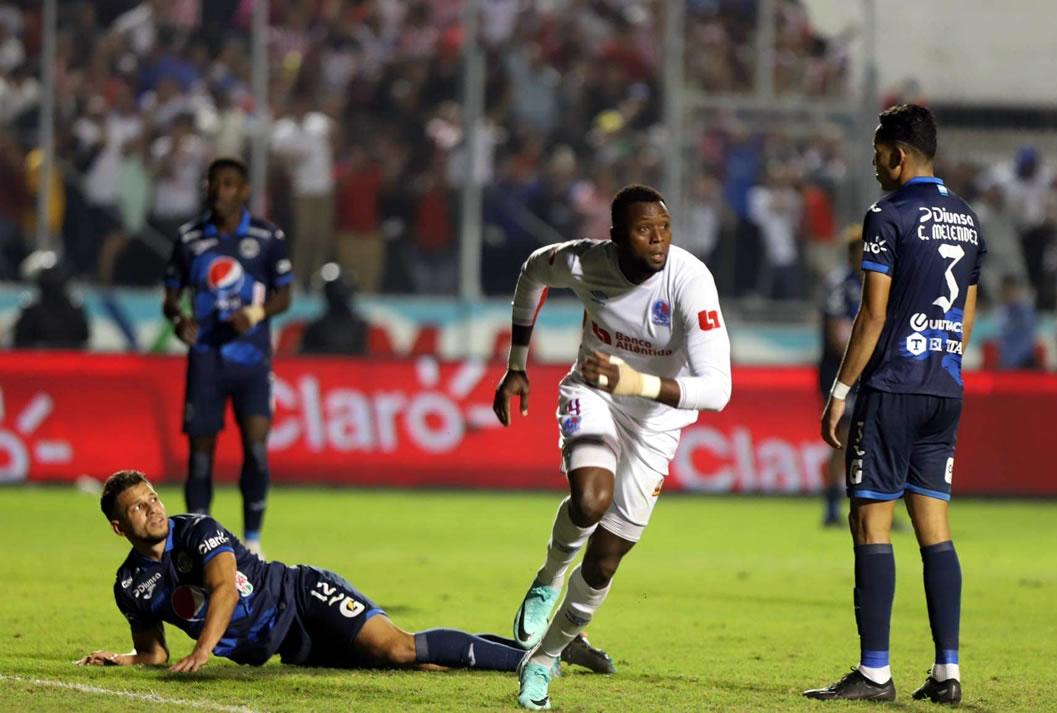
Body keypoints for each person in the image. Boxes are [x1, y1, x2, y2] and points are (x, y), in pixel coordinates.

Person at [494, 184, 732, 710]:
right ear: (616, 236)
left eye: (665, 228)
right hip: (593, 393)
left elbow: (719, 389)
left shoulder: (690, 281)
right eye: (645, 230)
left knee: (605, 561)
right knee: (590, 501)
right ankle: (549, 576)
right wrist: (516, 364)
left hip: (656, 421)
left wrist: (635, 382)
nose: (658, 239)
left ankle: (544, 658)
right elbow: (533, 271)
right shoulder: (584, 263)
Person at [804, 105, 986, 705]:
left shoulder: (888, 214)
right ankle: (947, 670)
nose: (874, 163)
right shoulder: (966, 218)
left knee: (869, 521)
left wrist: (840, 391)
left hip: (895, 388)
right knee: (934, 528)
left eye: (879, 152)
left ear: (899, 155)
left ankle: (875, 672)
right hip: (945, 386)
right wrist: (946, 361)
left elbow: (873, 314)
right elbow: (965, 312)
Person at [77, 471, 612, 673]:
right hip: (289, 647)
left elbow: (220, 588)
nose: (153, 509)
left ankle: (535, 661)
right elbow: (154, 652)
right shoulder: (130, 586)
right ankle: (555, 650)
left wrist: (202, 651)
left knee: (399, 648)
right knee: (422, 665)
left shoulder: (197, 530)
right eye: (138, 508)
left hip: (302, 595)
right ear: (119, 528)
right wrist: (121, 658)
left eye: (151, 497)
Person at [162, 157, 291, 557]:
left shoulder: (267, 237)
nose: (222, 192)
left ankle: (252, 541)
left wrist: (254, 314)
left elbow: (284, 295)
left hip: (252, 360)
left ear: (245, 190)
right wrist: (180, 319)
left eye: (230, 184)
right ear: (206, 188)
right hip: (205, 359)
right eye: (215, 184)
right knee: (201, 456)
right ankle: (198, 542)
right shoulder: (189, 239)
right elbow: (170, 296)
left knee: (255, 449)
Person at [816, 226, 863, 526]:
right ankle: (833, 506)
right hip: (840, 371)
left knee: (871, 441)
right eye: (859, 250)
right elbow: (836, 336)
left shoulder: (879, 283)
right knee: (842, 438)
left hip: (869, 370)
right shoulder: (839, 286)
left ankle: (871, 505)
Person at [12, 251, 90, 349]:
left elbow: (83, 338)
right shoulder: (32, 313)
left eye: (55, 275)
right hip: (37, 362)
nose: (52, 280)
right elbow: (21, 342)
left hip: (68, 362)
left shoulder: (74, 311)